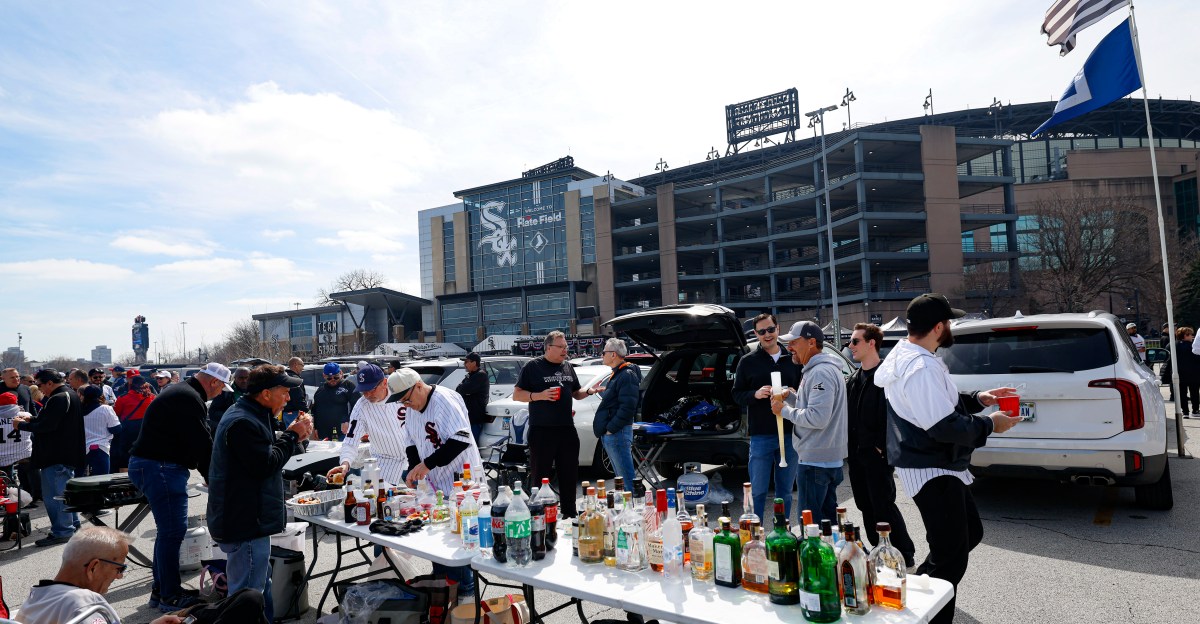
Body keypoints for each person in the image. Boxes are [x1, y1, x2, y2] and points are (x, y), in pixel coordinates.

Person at [874, 293, 1021, 624]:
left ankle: (914, 590)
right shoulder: (920, 366)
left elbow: (936, 406)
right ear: (939, 327)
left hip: (931, 464)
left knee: (968, 535)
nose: (951, 327)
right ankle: (923, 614)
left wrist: (977, 399)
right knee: (951, 557)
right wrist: (991, 424)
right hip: (932, 467)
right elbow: (942, 426)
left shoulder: (909, 355)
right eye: (949, 322)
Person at [208, 364, 313, 622]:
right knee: (247, 595)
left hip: (247, 518)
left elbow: (261, 454)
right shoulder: (243, 420)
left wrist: (292, 435)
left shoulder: (251, 413)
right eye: (284, 392)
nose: (288, 398)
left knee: (259, 586)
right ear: (266, 394)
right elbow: (264, 464)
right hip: (245, 521)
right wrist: (291, 436)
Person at [127, 362, 229, 612]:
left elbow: (196, 437)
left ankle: (162, 590)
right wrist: (212, 478)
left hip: (154, 465)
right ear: (213, 382)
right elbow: (201, 441)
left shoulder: (182, 392)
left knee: (167, 534)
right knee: (172, 533)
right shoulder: (188, 396)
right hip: (161, 467)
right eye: (220, 388)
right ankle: (170, 597)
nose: (220, 393)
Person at [388, 368, 482, 600]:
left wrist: (426, 465)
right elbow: (411, 442)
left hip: (464, 481)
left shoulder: (444, 399)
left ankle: (466, 598)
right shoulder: (412, 407)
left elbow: (461, 439)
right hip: (437, 483)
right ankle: (443, 595)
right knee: (438, 543)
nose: (406, 404)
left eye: (407, 399)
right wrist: (414, 468)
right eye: (401, 401)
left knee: (458, 545)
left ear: (419, 385)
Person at [844, 323, 917, 566]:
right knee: (865, 505)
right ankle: (880, 552)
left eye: (855, 341)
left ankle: (904, 554)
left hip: (876, 455)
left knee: (883, 504)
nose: (850, 346)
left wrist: (882, 447)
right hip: (856, 454)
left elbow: (895, 414)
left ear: (871, 342)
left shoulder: (885, 376)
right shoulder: (854, 378)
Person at [15, 526, 185, 624]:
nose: (120, 577)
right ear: (93, 567)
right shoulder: (83, 604)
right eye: (120, 568)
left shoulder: (37, 597)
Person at [771, 321, 847, 525]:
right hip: (825, 459)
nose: (789, 348)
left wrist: (783, 410)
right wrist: (792, 398)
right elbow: (818, 411)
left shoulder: (820, 372)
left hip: (816, 462)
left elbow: (817, 418)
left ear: (811, 342)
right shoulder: (819, 369)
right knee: (828, 525)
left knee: (810, 528)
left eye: (794, 342)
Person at [732, 313, 801, 522]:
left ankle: (783, 531)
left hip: (790, 434)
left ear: (778, 328)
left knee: (786, 491)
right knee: (758, 491)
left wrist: (791, 392)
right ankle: (757, 533)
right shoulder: (747, 361)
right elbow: (736, 394)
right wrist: (755, 393)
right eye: (762, 331)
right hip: (761, 435)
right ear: (756, 334)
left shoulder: (794, 358)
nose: (767, 335)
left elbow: (805, 393)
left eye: (770, 329)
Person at [513, 331, 589, 518]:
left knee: (570, 475)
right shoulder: (533, 367)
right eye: (561, 347)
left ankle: (569, 514)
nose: (565, 350)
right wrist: (539, 395)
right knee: (541, 476)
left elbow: (576, 393)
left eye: (566, 347)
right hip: (542, 431)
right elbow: (517, 394)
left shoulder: (568, 367)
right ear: (548, 347)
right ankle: (539, 516)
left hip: (566, 429)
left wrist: (590, 391)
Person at [13, 369, 85, 546]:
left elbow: (48, 426)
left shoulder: (59, 398)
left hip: (56, 455)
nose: (39, 388)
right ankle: (72, 525)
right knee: (64, 494)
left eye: (40, 385)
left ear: (50, 383)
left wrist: (21, 425)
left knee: (55, 496)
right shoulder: (68, 394)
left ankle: (62, 531)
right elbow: (53, 421)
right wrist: (32, 420)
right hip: (64, 453)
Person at [326, 364, 408, 486]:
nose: (368, 395)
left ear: (384, 383)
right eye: (364, 391)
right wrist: (345, 463)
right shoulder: (361, 406)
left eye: (371, 389)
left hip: (416, 460)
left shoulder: (401, 393)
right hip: (386, 464)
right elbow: (350, 440)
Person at [592, 337, 640, 490]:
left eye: (604, 352)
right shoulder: (618, 373)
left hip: (617, 432)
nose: (602, 355)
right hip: (613, 433)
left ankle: (633, 509)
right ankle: (627, 509)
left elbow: (628, 407)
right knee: (621, 478)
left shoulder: (627, 374)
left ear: (613, 354)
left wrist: (611, 428)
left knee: (626, 478)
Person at [111, 376, 154, 472]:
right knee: (145, 456)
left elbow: (116, 414)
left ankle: (124, 481)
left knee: (125, 457)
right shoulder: (151, 397)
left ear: (130, 385)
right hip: (146, 430)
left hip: (128, 432)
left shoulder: (123, 398)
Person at [311, 362, 360, 441]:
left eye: (336, 377)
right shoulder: (321, 389)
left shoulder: (348, 385)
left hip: (343, 432)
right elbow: (316, 409)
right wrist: (315, 427)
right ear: (324, 376)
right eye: (329, 378)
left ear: (340, 373)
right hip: (324, 433)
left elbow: (357, 406)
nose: (333, 380)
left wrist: (349, 421)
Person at [80, 386, 121, 476]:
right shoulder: (106, 408)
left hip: (82, 449)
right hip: (100, 447)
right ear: (100, 395)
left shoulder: (79, 409)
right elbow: (116, 429)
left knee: (80, 481)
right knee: (101, 480)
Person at [0, 391, 34, 499]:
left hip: (3, 454)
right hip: (24, 451)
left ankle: (9, 497)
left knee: (6, 479)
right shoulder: (26, 415)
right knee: (28, 473)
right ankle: (32, 494)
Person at [1162, 326, 1200, 418]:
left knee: (1182, 393)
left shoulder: (1172, 345)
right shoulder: (1193, 347)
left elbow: (1168, 359)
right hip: (1193, 373)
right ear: (1185, 335)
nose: (1192, 336)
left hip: (1179, 373)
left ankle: (1185, 412)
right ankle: (1195, 410)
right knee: (1194, 392)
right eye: (1190, 334)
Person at [455, 353, 491, 443]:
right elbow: (458, 389)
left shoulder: (480, 375)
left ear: (474, 363)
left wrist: (463, 388)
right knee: (465, 442)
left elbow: (463, 389)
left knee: (472, 444)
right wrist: (463, 388)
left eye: (466, 362)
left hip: (475, 417)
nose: (464, 364)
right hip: (467, 417)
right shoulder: (470, 376)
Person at [207, 367, 250, 433]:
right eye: (241, 378)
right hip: (229, 431)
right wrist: (232, 417)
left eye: (247, 378)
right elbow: (213, 412)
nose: (244, 380)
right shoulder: (225, 390)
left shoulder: (256, 391)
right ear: (235, 378)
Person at [281, 357, 309, 428]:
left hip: (285, 413)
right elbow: (298, 397)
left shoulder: (284, 377)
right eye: (302, 365)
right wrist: (306, 410)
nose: (303, 368)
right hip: (294, 413)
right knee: (298, 436)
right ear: (295, 365)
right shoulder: (295, 380)